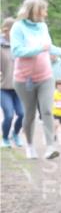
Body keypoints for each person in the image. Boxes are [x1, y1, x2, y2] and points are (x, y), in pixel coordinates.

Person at [9, 0, 61, 160]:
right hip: (24, 79)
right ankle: (30, 146)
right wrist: (39, 48)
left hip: (46, 76)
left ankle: (50, 147)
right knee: (30, 114)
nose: (46, 13)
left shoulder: (42, 27)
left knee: (47, 110)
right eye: (43, 10)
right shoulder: (18, 27)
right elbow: (17, 52)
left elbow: (50, 47)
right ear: (34, 11)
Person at [1, 17, 25, 149]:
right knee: (9, 114)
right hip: (3, 87)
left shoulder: (21, 46)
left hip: (19, 87)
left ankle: (15, 134)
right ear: (7, 30)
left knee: (22, 114)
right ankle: (4, 138)